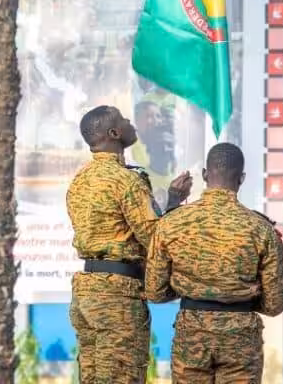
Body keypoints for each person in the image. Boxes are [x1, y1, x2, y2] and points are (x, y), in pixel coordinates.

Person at [66, 105, 193, 383]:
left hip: (87, 293)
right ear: (113, 133)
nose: (130, 124)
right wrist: (174, 202)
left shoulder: (79, 181)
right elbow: (154, 239)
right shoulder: (126, 181)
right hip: (117, 297)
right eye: (124, 120)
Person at [145, 143, 283, 383]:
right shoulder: (261, 229)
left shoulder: (171, 224)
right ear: (241, 178)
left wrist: (192, 290)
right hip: (241, 334)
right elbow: (275, 303)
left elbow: (154, 291)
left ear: (204, 175)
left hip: (192, 330)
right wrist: (240, 297)